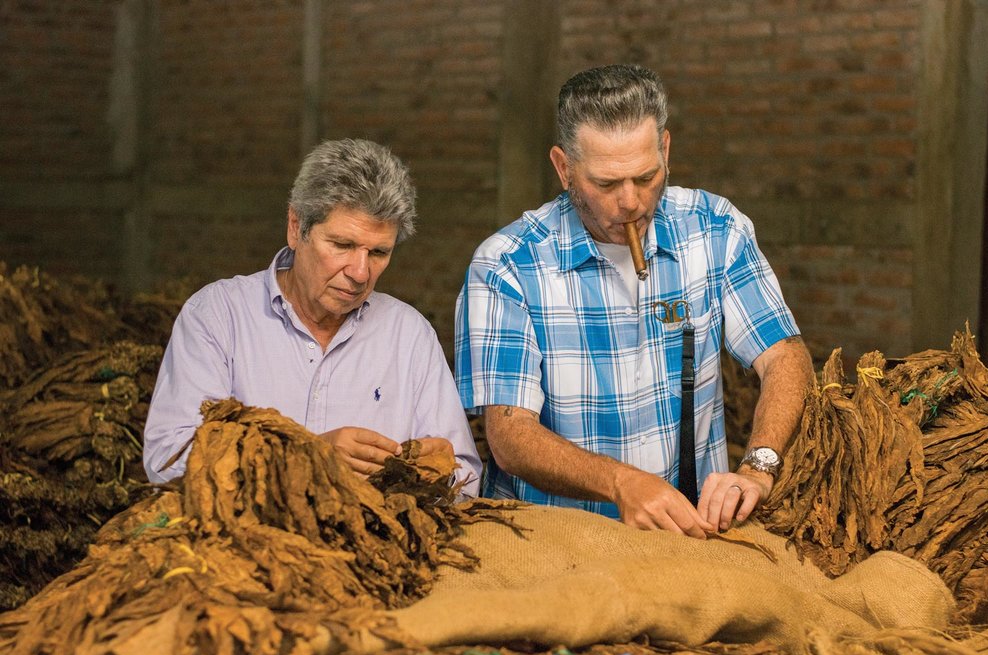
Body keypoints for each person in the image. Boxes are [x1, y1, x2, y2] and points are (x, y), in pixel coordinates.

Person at [455, 64, 812, 535]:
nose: (631, 203)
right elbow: (510, 437)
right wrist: (621, 484)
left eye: (646, 177)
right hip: (551, 542)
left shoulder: (715, 228)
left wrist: (758, 468)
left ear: (665, 150)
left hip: (686, 537)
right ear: (564, 169)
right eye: (605, 184)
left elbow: (785, 357)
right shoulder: (506, 266)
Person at [145, 138, 481, 498]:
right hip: (239, 547)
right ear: (295, 227)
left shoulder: (409, 335)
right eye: (342, 245)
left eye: (380, 252)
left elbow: (466, 478)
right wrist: (306, 459)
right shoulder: (216, 316)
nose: (360, 272)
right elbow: (169, 460)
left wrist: (441, 471)